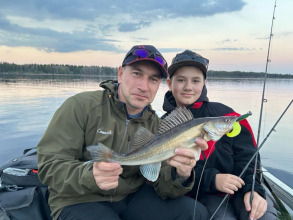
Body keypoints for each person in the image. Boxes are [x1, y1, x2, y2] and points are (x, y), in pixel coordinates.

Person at [37, 45, 210, 220]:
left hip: (130, 196)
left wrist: (181, 175)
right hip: (78, 200)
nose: (144, 86)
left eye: (153, 79)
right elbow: (49, 166)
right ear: (120, 73)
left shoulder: (157, 125)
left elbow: (165, 187)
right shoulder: (80, 107)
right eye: (137, 74)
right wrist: (90, 176)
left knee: (195, 214)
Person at [162, 50, 278, 220]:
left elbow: (248, 157)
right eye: (181, 80)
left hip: (242, 188)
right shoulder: (162, 127)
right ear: (169, 83)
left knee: (262, 216)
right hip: (205, 194)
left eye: (196, 80)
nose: (188, 87)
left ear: (204, 83)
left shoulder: (227, 116)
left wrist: (253, 190)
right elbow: (172, 174)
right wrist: (213, 179)